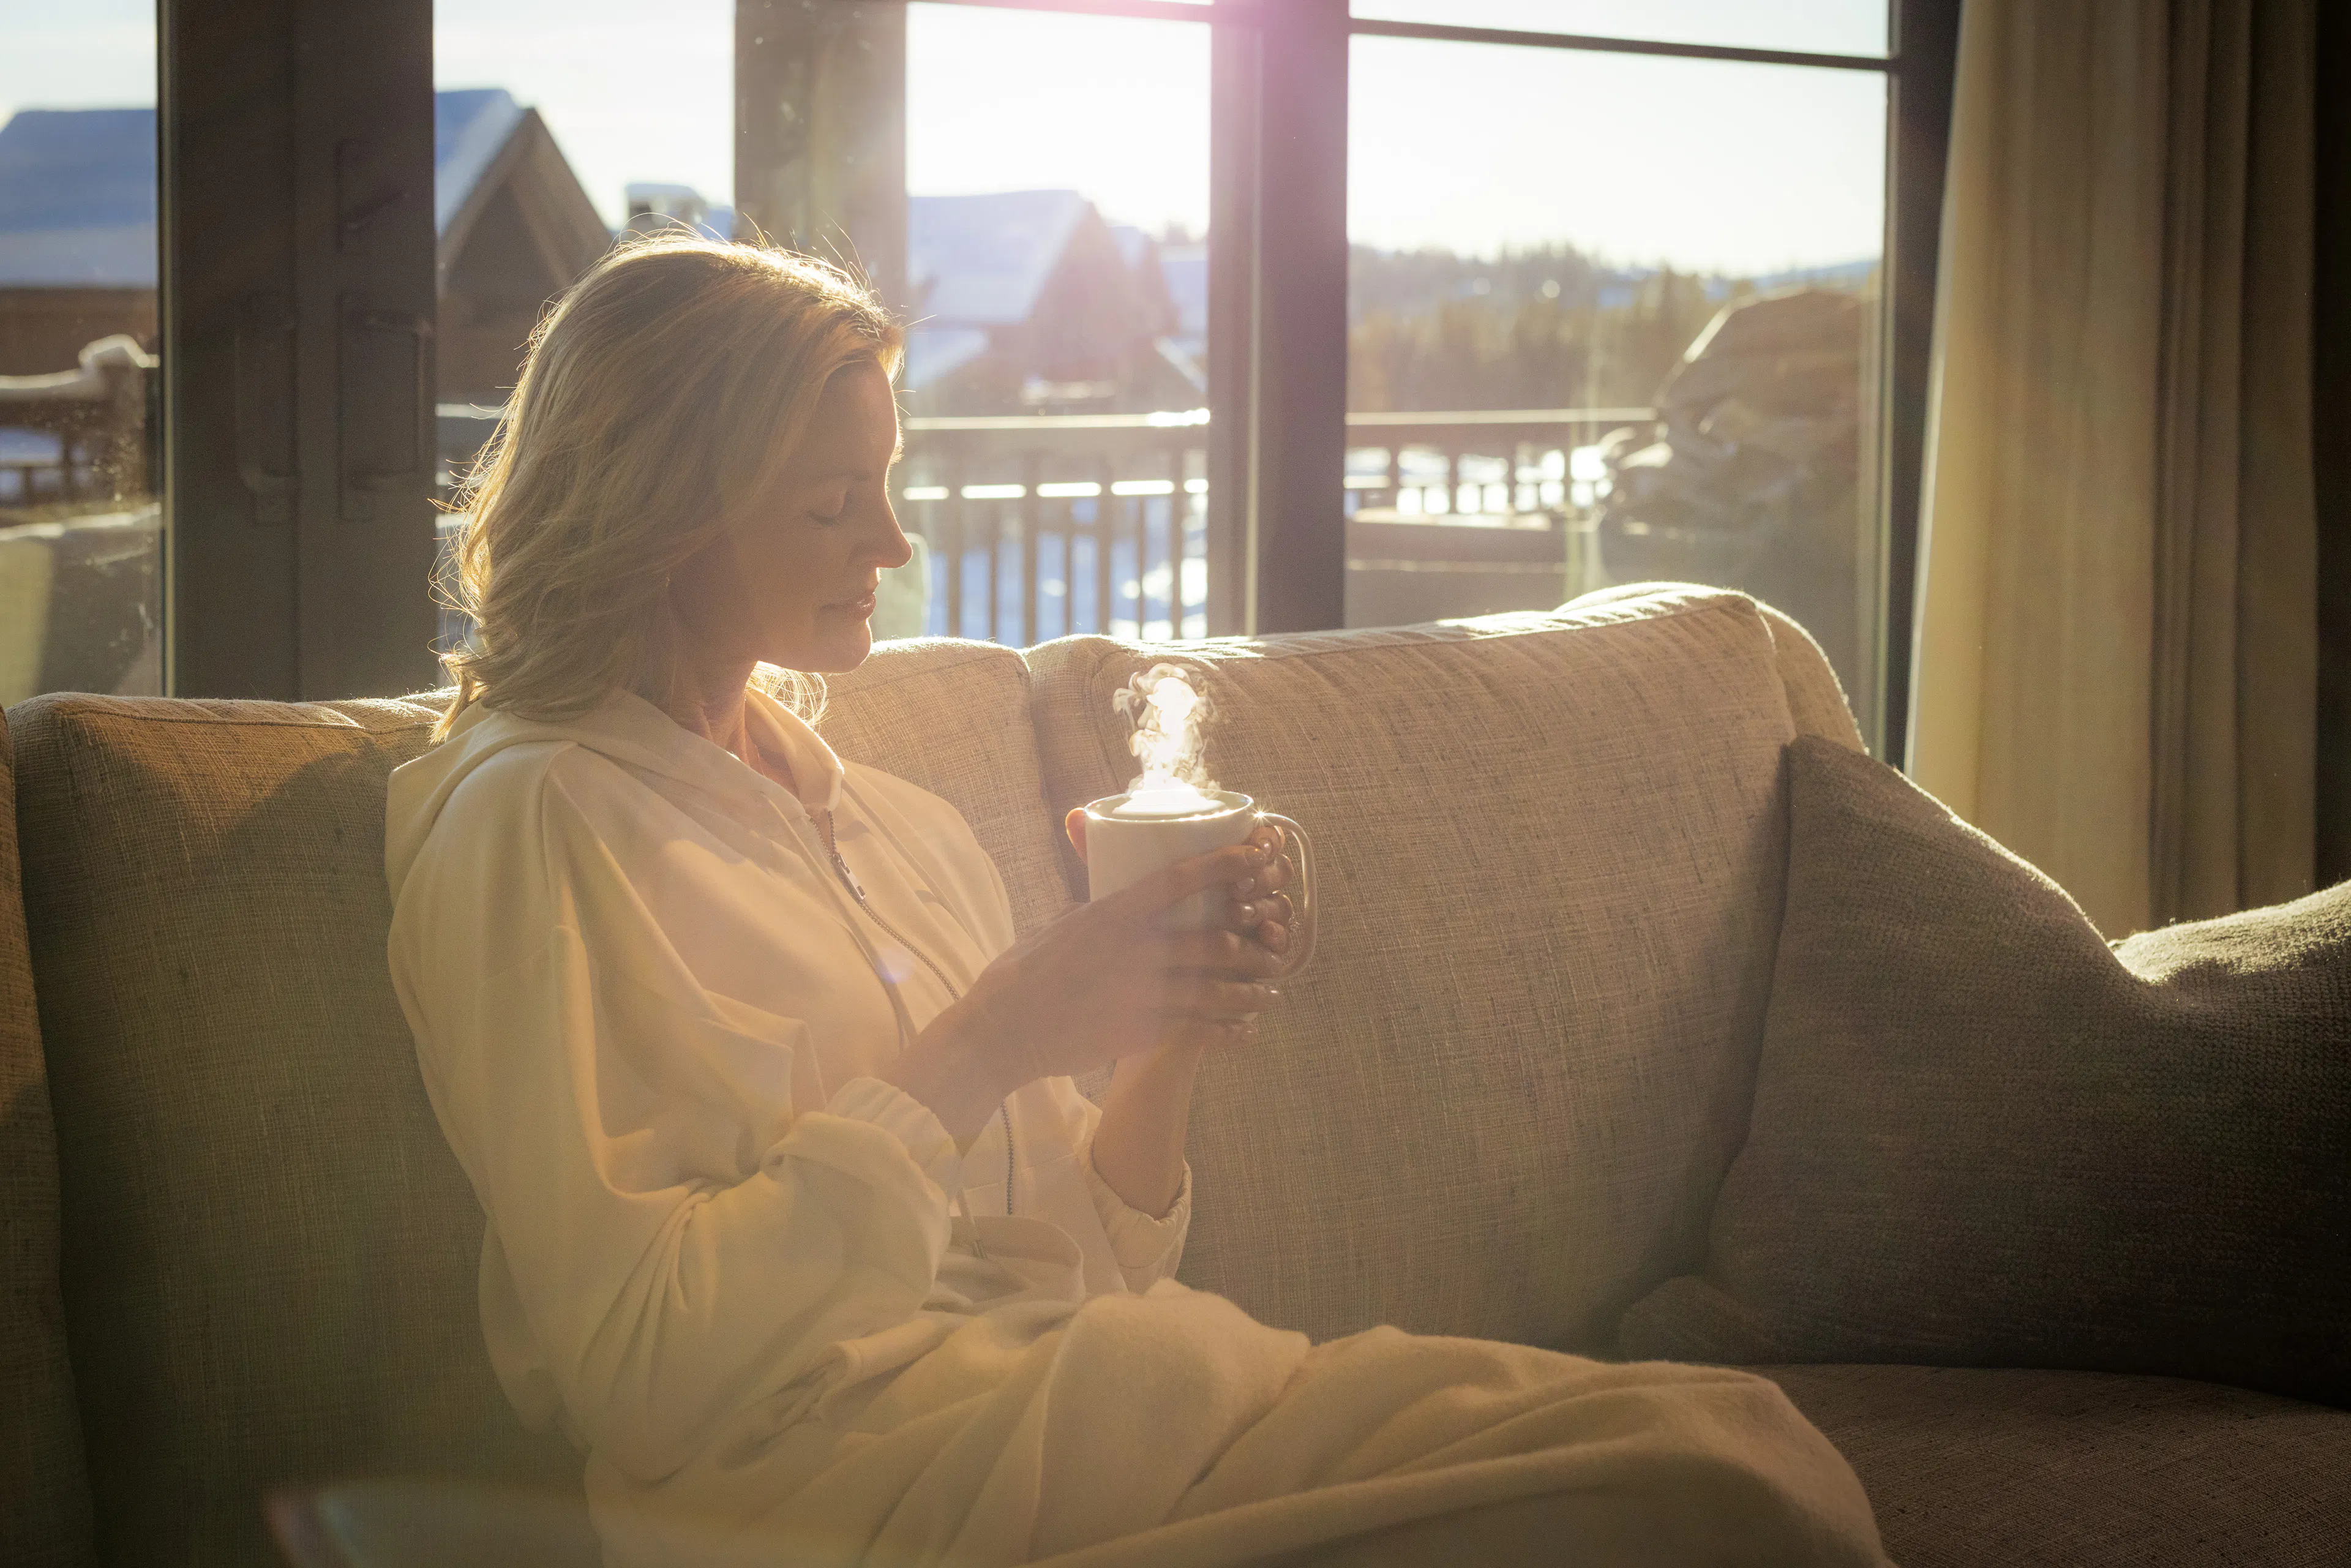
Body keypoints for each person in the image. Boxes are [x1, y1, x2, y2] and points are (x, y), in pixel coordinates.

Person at [385, 236, 1888, 1568]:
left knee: (1750, 1445)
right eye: (835, 503)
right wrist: (997, 1033)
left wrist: (1166, 1028)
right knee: (1717, 1506)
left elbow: (1091, 1264)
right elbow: (640, 1371)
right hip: (854, 1494)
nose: (896, 546)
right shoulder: (536, 820)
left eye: (891, 487)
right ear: (663, 516)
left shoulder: (885, 822)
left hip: (1091, 1400)